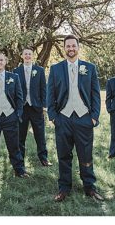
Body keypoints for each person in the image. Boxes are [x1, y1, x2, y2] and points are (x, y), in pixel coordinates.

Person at [46, 35, 104, 202]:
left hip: (84, 118)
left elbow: (95, 95)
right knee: (64, 155)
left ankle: (89, 188)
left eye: (73, 46)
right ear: (64, 48)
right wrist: (53, 117)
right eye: (68, 46)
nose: (71, 49)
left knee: (85, 155)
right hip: (62, 119)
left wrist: (93, 117)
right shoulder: (56, 68)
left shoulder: (90, 68)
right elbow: (50, 94)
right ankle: (64, 188)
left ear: (78, 47)